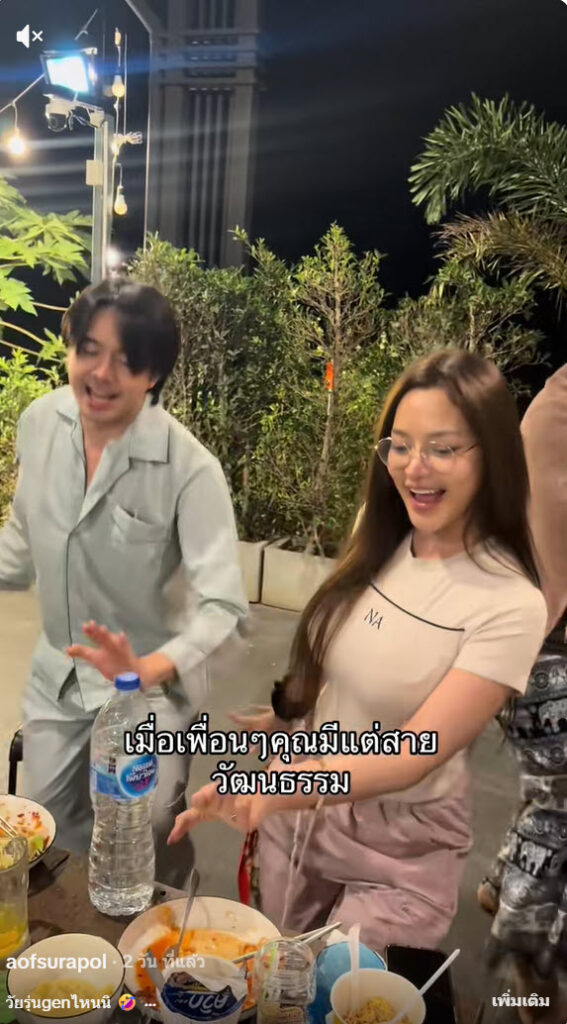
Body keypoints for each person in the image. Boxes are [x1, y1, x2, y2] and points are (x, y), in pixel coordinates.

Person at [169, 348, 548, 952]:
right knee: (277, 967)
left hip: (401, 845)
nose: (414, 469)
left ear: (492, 456)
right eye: (401, 445)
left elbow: (412, 753)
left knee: (341, 985)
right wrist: (293, 719)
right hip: (305, 805)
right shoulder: (382, 527)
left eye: (442, 448)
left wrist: (273, 790)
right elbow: (348, 651)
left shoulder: (510, 603)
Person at [0, 276, 248, 887]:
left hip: (148, 691)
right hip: (58, 678)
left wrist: (149, 666)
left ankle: (164, 903)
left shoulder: (190, 469)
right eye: (89, 350)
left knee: (146, 828)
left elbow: (223, 608)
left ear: (153, 374)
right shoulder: (39, 423)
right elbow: (21, 539)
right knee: (48, 835)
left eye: (126, 360)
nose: (101, 373)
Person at [476, 362, 567, 1021]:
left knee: (551, 795)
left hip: (534, 634)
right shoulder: (557, 414)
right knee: (559, 807)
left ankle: (498, 882)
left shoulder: (553, 401)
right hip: (546, 639)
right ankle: (527, 961)